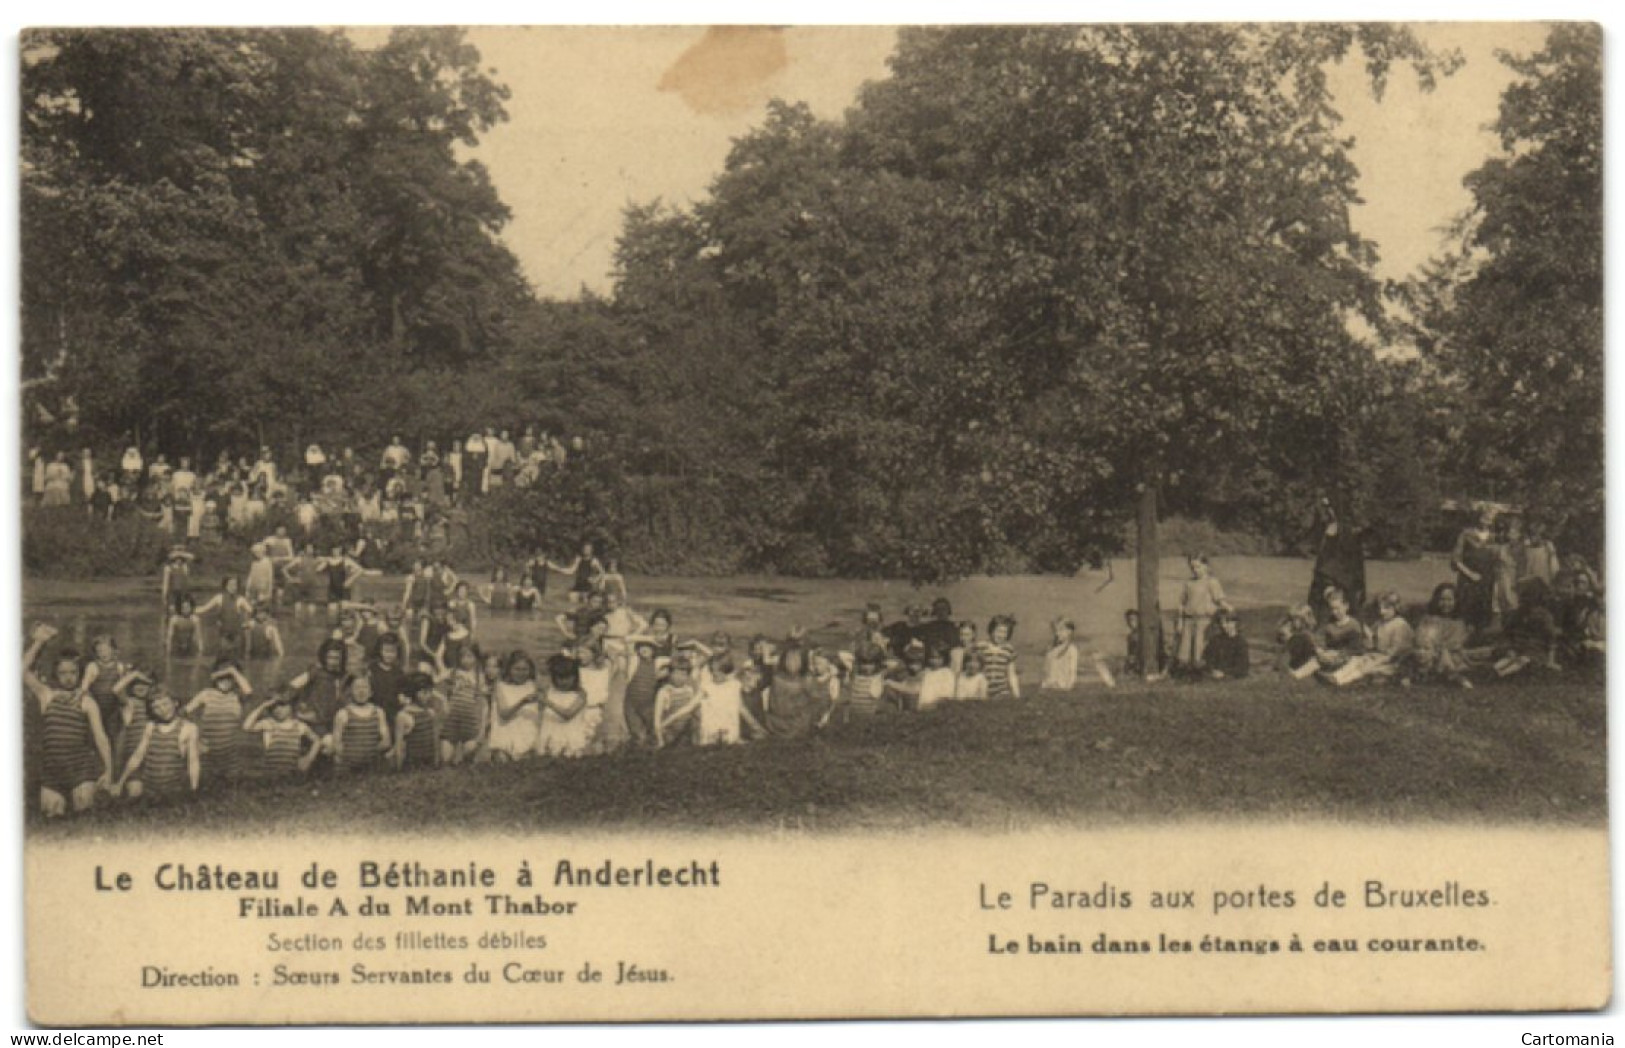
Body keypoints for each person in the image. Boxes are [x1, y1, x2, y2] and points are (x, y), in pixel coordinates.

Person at [26, 624, 113, 815]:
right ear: (56, 675)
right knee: (53, 814)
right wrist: (39, 642)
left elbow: (101, 737)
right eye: (63, 673)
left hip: (80, 769)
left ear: (79, 674)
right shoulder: (46, 696)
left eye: (73, 673)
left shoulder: (87, 701)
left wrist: (108, 771)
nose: (68, 678)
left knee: (85, 811)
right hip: (53, 770)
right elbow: (22, 671)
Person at [115, 687, 199, 802]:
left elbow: (193, 761)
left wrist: (194, 789)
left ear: (175, 703)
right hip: (149, 786)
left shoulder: (188, 728)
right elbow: (138, 756)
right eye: (156, 707)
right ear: (151, 710)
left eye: (165, 704)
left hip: (174, 787)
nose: (163, 710)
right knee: (133, 797)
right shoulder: (151, 727)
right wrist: (120, 782)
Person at [184, 658, 253, 787]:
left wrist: (233, 671)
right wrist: (195, 740)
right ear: (215, 677)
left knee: (231, 785)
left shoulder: (237, 696)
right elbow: (183, 713)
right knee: (205, 783)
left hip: (230, 751)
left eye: (230, 678)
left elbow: (249, 691)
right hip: (208, 749)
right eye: (221, 677)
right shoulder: (206, 694)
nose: (225, 681)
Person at [1308, 495, 1366, 625]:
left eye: (1329, 508)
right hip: (1326, 579)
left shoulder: (1348, 534)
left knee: (1344, 612)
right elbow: (1322, 560)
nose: (1327, 512)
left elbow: (1351, 564)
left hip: (1342, 580)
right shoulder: (1327, 532)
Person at [1407, 583, 1473, 688]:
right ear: (1436, 600)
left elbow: (1455, 643)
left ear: (1456, 601)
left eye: (1449, 600)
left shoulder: (1458, 622)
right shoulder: (1428, 618)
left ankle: (1453, 677)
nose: (1446, 603)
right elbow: (1421, 636)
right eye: (1442, 599)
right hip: (1427, 653)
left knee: (1444, 656)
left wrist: (1438, 648)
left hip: (1450, 656)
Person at [242, 692, 320, 779]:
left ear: (291, 706)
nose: (277, 710)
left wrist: (309, 758)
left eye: (282, 705)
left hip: (291, 773)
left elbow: (317, 740)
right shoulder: (269, 724)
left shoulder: (299, 726)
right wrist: (262, 706)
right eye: (273, 707)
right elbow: (246, 727)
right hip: (271, 773)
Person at [690, 653, 763, 746]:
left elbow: (741, 708)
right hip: (711, 729)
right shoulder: (707, 686)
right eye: (712, 670)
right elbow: (690, 707)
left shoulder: (734, 685)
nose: (714, 673)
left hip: (729, 730)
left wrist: (756, 727)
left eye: (717, 671)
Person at [1451, 508, 1499, 636]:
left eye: (1490, 518)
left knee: (1482, 613)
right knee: (1465, 612)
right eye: (1484, 517)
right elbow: (1456, 559)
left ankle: (1478, 640)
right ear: (1478, 517)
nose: (1487, 521)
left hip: (1486, 581)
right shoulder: (1466, 534)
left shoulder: (1493, 537)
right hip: (1468, 580)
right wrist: (1470, 574)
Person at [1176, 554, 1228, 673]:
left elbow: (1219, 599)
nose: (1195, 570)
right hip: (1188, 619)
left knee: (1200, 647)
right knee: (1185, 647)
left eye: (1198, 567)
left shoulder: (1212, 582)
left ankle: (1200, 671)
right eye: (1192, 567)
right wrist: (1180, 621)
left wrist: (1228, 608)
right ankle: (1185, 671)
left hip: (1204, 620)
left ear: (1206, 566)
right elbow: (1182, 603)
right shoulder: (1189, 583)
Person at [762, 645, 830, 735]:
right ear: (783, 660)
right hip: (783, 722)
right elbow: (775, 705)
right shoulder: (777, 679)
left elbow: (818, 700)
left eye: (796, 660)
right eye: (789, 659)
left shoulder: (806, 679)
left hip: (789, 722)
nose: (792, 663)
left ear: (802, 661)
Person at [487, 651, 542, 761]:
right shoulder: (501, 687)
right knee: (502, 761)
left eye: (525, 669)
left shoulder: (532, 686)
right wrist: (522, 702)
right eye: (517, 669)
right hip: (505, 732)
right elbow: (504, 714)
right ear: (509, 670)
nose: (521, 673)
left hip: (526, 734)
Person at [331, 676, 390, 774]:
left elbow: (386, 741)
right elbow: (337, 744)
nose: (361, 691)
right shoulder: (343, 714)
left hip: (372, 764)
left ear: (371, 692)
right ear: (351, 692)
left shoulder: (378, 712)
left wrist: (369, 751)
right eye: (357, 688)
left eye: (365, 687)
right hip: (349, 766)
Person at [391, 673, 442, 771]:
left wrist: (436, 763)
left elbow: (435, 740)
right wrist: (399, 769)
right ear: (413, 693)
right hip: (412, 765)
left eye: (429, 692)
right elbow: (399, 746)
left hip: (429, 764)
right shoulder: (403, 715)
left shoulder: (430, 712)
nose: (428, 695)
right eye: (424, 692)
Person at [196, 577, 253, 659]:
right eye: (231, 584)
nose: (234, 587)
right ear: (226, 586)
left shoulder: (240, 599)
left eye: (235, 585)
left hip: (237, 636)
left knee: (236, 659)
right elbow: (204, 609)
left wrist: (248, 623)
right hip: (224, 636)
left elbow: (252, 611)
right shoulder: (219, 598)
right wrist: (192, 610)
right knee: (223, 658)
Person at [652, 657, 701, 747]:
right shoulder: (664, 692)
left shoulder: (689, 690)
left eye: (683, 674)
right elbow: (657, 719)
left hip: (686, 734)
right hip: (670, 734)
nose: (679, 678)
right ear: (669, 674)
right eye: (676, 674)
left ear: (688, 676)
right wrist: (660, 740)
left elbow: (692, 710)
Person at [980, 615, 1021, 700]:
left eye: (1004, 632)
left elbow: (1011, 674)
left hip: (1001, 689)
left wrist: (1016, 694)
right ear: (991, 631)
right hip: (984, 686)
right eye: (998, 631)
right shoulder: (982, 647)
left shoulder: (1008, 649)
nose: (1001, 635)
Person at [1203, 610, 1251, 680]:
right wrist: (1212, 670)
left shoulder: (1240, 642)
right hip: (1213, 673)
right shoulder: (1215, 640)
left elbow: (1242, 667)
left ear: (1235, 623)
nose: (1224, 626)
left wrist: (1224, 673)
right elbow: (1208, 658)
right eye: (1221, 623)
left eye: (1227, 622)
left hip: (1230, 674)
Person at [1041, 618, 1079, 690]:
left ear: (1069, 632)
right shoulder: (1051, 649)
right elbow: (1046, 669)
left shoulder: (1071, 649)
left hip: (1063, 686)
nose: (1057, 634)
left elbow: (1073, 671)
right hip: (1049, 686)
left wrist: (1069, 686)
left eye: (1061, 630)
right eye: (1055, 631)